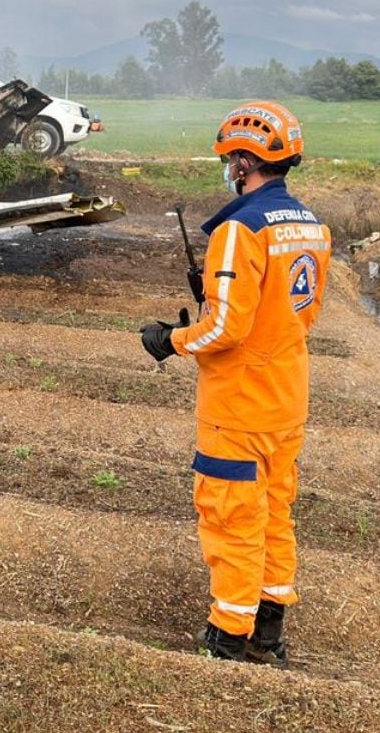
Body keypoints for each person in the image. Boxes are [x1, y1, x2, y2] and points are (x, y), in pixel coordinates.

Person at [138, 101, 331, 668]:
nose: (227, 167)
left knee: (231, 516)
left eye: (230, 158)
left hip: (238, 406)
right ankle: (270, 627)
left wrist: (169, 340)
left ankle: (226, 635)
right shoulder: (312, 227)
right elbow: (302, 312)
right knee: (274, 510)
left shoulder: (237, 229)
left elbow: (226, 328)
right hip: (286, 399)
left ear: (246, 159)